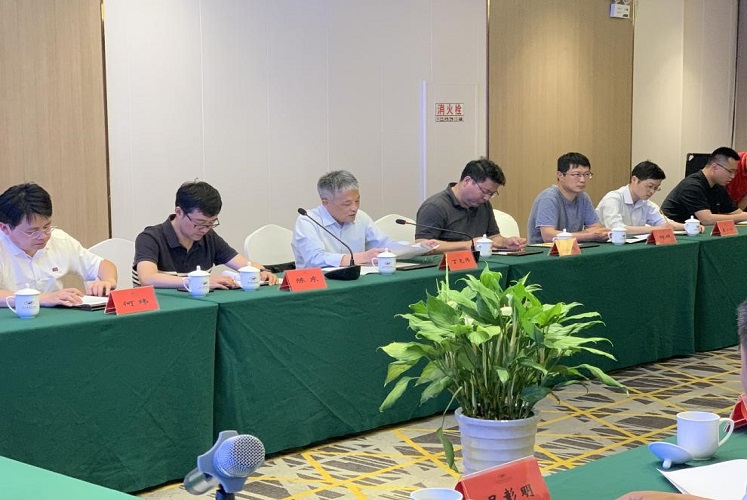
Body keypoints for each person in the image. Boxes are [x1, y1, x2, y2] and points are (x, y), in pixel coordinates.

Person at [134, 181, 278, 288]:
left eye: (211, 223)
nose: (204, 230)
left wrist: (262, 271)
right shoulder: (150, 238)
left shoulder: (208, 237)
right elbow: (147, 278)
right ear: (179, 212)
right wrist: (198, 282)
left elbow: (244, 264)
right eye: (199, 223)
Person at [0, 183, 118, 307]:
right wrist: (41, 298)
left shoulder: (59, 240)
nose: (43, 236)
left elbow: (103, 265)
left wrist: (108, 281)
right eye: (32, 232)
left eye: (46, 227)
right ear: (4, 228)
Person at [292, 170, 437, 268]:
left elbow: (385, 245)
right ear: (325, 202)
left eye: (357, 201)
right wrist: (361, 257)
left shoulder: (361, 217)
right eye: (347, 203)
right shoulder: (307, 221)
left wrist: (416, 247)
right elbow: (315, 259)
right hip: (317, 286)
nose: (354, 208)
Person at [414, 158, 526, 252]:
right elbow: (422, 245)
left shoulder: (484, 205)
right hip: (445, 267)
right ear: (467, 181)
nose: (486, 198)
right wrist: (467, 245)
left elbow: (493, 237)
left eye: (491, 194)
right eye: (485, 191)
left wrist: (505, 243)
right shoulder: (435, 206)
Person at [596, 161, 700, 235]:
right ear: (634, 180)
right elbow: (616, 228)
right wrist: (655, 229)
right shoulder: (613, 199)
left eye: (656, 188)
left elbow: (664, 223)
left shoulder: (646, 203)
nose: (652, 191)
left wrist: (689, 226)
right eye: (649, 186)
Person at [526, 152, 610, 244]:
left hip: (573, 247)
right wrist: (588, 235)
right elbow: (548, 236)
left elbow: (597, 228)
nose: (582, 180)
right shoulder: (549, 198)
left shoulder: (583, 197)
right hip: (546, 250)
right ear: (560, 175)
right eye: (576, 175)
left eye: (586, 174)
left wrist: (570, 236)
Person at [661, 146, 747, 224]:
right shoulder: (692, 186)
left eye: (735, 172)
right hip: (675, 232)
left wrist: (742, 216)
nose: (733, 176)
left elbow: (737, 213)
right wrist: (742, 217)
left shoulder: (718, 187)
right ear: (714, 167)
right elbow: (706, 219)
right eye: (730, 171)